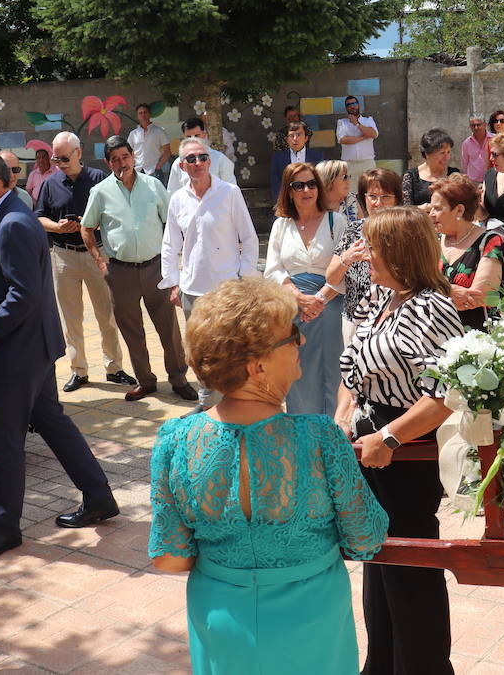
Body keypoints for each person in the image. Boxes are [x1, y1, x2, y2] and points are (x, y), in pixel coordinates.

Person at [148, 277, 388, 674]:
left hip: (221, 620)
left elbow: (170, 559)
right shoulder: (318, 437)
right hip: (312, 619)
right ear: (257, 366)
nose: (303, 342)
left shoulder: (175, 440)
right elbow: (366, 538)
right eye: (294, 335)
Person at [0, 150, 118, 562]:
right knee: (52, 421)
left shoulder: (12, 221)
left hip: (16, 353)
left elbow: (22, 295)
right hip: (32, 348)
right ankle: (99, 496)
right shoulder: (9, 213)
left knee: (2, 439)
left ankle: (6, 527)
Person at [335, 207, 463, 675]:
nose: (366, 255)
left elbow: (448, 393)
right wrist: (341, 420)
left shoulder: (432, 306)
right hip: (369, 443)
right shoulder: (378, 296)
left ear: (401, 252)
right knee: (377, 558)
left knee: (410, 566)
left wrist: (389, 437)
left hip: (407, 450)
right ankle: (383, 665)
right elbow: (351, 369)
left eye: (375, 247)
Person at [81, 136, 195, 402]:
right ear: (109, 163)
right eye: (115, 159)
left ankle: (179, 379)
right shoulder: (100, 192)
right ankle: (146, 381)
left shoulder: (154, 186)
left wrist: (175, 264)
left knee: (169, 329)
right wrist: (100, 260)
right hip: (120, 273)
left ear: (133, 156)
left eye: (125, 156)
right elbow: (87, 228)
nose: (122, 163)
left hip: (156, 269)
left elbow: (173, 225)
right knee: (132, 331)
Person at [159, 137, 261, 409]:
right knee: (201, 353)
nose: (198, 163)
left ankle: (236, 405)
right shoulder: (178, 200)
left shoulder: (229, 193)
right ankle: (208, 404)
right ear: (182, 166)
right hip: (192, 290)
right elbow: (170, 243)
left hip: (227, 291)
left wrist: (242, 277)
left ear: (209, 161)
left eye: (202, 157)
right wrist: (172, 283)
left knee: (232, 350)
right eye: (191, 159)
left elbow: (249, 240)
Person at [35, 131, 131, 393]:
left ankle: (114, 367)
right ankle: (79, 370)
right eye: (56, 159)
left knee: (106, 313)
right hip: (64, 255)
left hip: (95, 253)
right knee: (71, 318)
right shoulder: (50, 183)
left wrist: (90, 224)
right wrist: (56, 227)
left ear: (79, 153)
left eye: (64, 158)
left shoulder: (101, 179)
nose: (60, 164)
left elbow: (117, 214)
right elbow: (39, 217)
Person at [266, 163, 347, 416]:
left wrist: (319, 300)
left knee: (333, 370)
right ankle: (303, 431)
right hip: (294, 309)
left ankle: (334, 432)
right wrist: (300, 298)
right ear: (289, 192)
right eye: (298, 185)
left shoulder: (337, 221)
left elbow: (346, 268)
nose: (306, 190)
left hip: (332, 307)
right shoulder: (281, 225)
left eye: (312, 183)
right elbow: (273, 269)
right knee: (297, 369)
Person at [324, 169, 402, 324]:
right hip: (354, 319)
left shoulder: (405, 232)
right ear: (364, 199)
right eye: (372, 196)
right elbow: (331, 278)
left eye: (385, 197)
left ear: (397, 199)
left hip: (394, 318)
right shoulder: (353, 230)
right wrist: (346, 259)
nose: (378, 203)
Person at [431, 173, 504, 331]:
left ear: (459, 211)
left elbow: (481, 296)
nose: (431, 214)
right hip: (432, 335)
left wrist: (431, 291)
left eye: (437, 208)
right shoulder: (432, 240)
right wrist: (449, 292)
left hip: (475, 340)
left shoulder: (491, 241)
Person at [168, 118, 236, 191]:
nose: (193, 139)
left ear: (204, 135)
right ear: (184, 138)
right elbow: (172, 193)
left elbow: (231, 191)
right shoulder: (178, 163)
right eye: (189, 137)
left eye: (197, 136)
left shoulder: (220, 159)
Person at [403, 128, 458, 208]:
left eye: (448, 152)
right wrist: (424, 208)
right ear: (427, 154)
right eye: (442, 153)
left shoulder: (453, 175)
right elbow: (406, 209)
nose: (447, 157)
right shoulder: (411, 176)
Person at [269, 120, 323, 198]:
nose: (295, 138)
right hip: (288, 202)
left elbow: (321, 182)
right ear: (287, 140)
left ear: (306, 138)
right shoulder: (278, 159)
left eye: (299, 135)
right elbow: (275, 185)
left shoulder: (317, 157)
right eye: (291, 135)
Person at [336, 95, 379, 184]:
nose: (352, 106)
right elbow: (343, 140)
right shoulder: (342, 122)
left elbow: (373, 134)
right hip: (349, 164)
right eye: (348, 105)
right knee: (350, 194)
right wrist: (363, 137)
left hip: (367, 163)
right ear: (346, 108)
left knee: (369, 190)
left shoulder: (368, 120)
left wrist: (357, 124)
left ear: (358, 105)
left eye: (354, 103)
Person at [127, 101, 174, 181]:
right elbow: (128, 151)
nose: (143, 115)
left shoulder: (159, 131)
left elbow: (167, 151)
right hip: (137, 171)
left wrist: (159, 166)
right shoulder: (133, 134)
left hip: (154, 171)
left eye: (145, 112)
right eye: (140, 113)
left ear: (149, 114)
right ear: (138, 116)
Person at [460, 116, 492, 183]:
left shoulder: (494, 139)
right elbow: (464, 164)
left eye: (478, 125)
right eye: (473, 125)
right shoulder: (466, 143)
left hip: (491, 180)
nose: (476, 128)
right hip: (473, 182)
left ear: (485, 125)